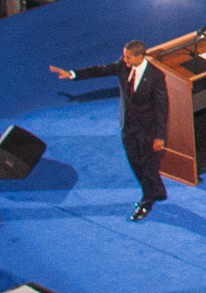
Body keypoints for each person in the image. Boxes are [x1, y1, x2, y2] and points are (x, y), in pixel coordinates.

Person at [53, 39, 169, 222]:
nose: (124, 59)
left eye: (128, 56)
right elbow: (100, 70)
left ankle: (147, 201)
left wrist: (160, 137)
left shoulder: (156, 76)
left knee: (148, 166)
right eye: (124, 55)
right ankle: (158, 192)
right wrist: (72, 74)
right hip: (128, 127)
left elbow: (163, 108)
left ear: (140, 57)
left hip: (148, 130)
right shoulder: (123, 66)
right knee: (136, 163)